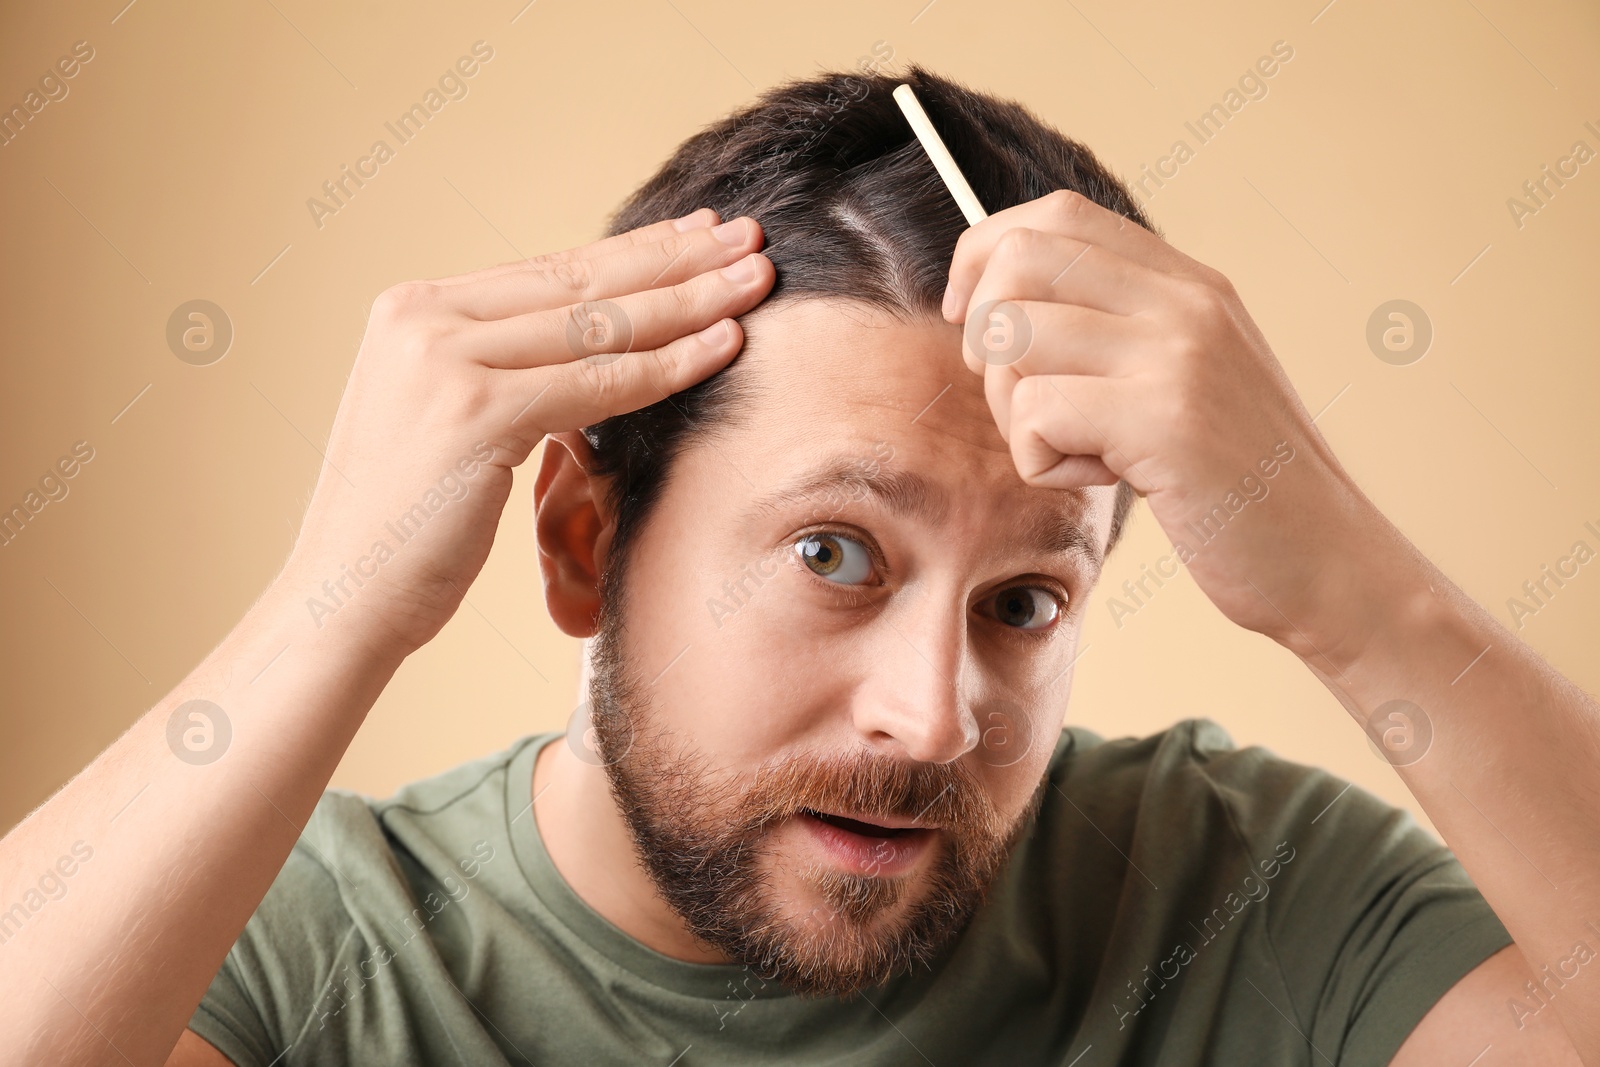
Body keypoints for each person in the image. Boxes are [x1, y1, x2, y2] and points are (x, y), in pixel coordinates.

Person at [1, 65, 1590, 1066]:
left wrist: (1360, 597)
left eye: (1025, 601)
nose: (934, 718)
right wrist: (328, 607)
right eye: (834, 552)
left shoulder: (1244, 898)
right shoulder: (302, 954)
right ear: (581, 538)